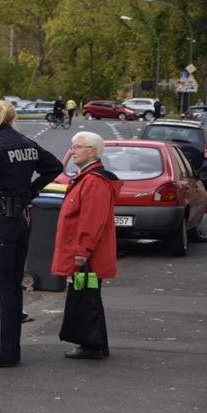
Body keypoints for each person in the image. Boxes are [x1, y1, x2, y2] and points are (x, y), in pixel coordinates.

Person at [0, 101, 63, 368]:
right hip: (23, 218)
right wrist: (31, 191)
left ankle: (2, 352)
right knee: (13, 283)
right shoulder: (26, 142)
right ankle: (11, 348)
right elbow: (54, 166)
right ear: (14, 118)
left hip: (1, 219)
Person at [52, 131, 120, 359]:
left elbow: (92, 220)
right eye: (72, 146)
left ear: (93, 152)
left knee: (87, 298)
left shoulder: (93, 181)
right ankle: (96, 344)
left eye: (78, 147)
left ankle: (92, 346)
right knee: (86, 296)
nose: (73, 151)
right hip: (86, 252)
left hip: (88, 254)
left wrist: (83, 252)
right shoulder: (88, 177)